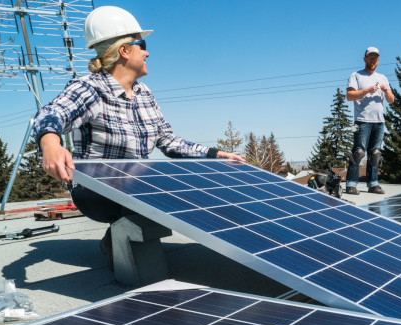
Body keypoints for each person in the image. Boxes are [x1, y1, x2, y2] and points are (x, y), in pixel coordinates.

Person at [34, 6, 244, 266]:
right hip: (94, 190)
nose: (147, 52)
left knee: (175, 184)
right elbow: (51, 113)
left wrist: (214, 154)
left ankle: (116, 240)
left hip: (136, 184)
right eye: (141, 44)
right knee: (152, 187)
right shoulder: (90, 89)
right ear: (124, 50)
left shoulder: (144, 93)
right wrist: (50, 143)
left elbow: (168, 141)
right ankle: (122, 251)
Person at [345, 46, 394, 195]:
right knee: (358, 152)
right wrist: (367, 90)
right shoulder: (356, 76)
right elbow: (349, 96)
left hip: (379, 121)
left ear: (378, 60)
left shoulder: (383, 78)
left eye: (375, 57)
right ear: (365, 59)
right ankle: (351, 184)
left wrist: (386, 91)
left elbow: (391, 100)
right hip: (361, 121)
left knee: (375, 153)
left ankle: (373, 184)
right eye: (370, 56)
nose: (373, 59)